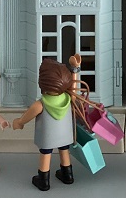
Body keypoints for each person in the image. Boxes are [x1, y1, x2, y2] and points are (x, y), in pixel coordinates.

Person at [13, 55, 83, 191]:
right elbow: (74, 89)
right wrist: (75, 71)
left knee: (46, 153)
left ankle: (43, 180)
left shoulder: (41, 103)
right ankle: (67, 175)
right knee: (64, 150)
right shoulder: (68, 98)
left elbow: (27, 116)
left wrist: (19, 122)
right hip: (64, 134)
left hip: (48, 136)